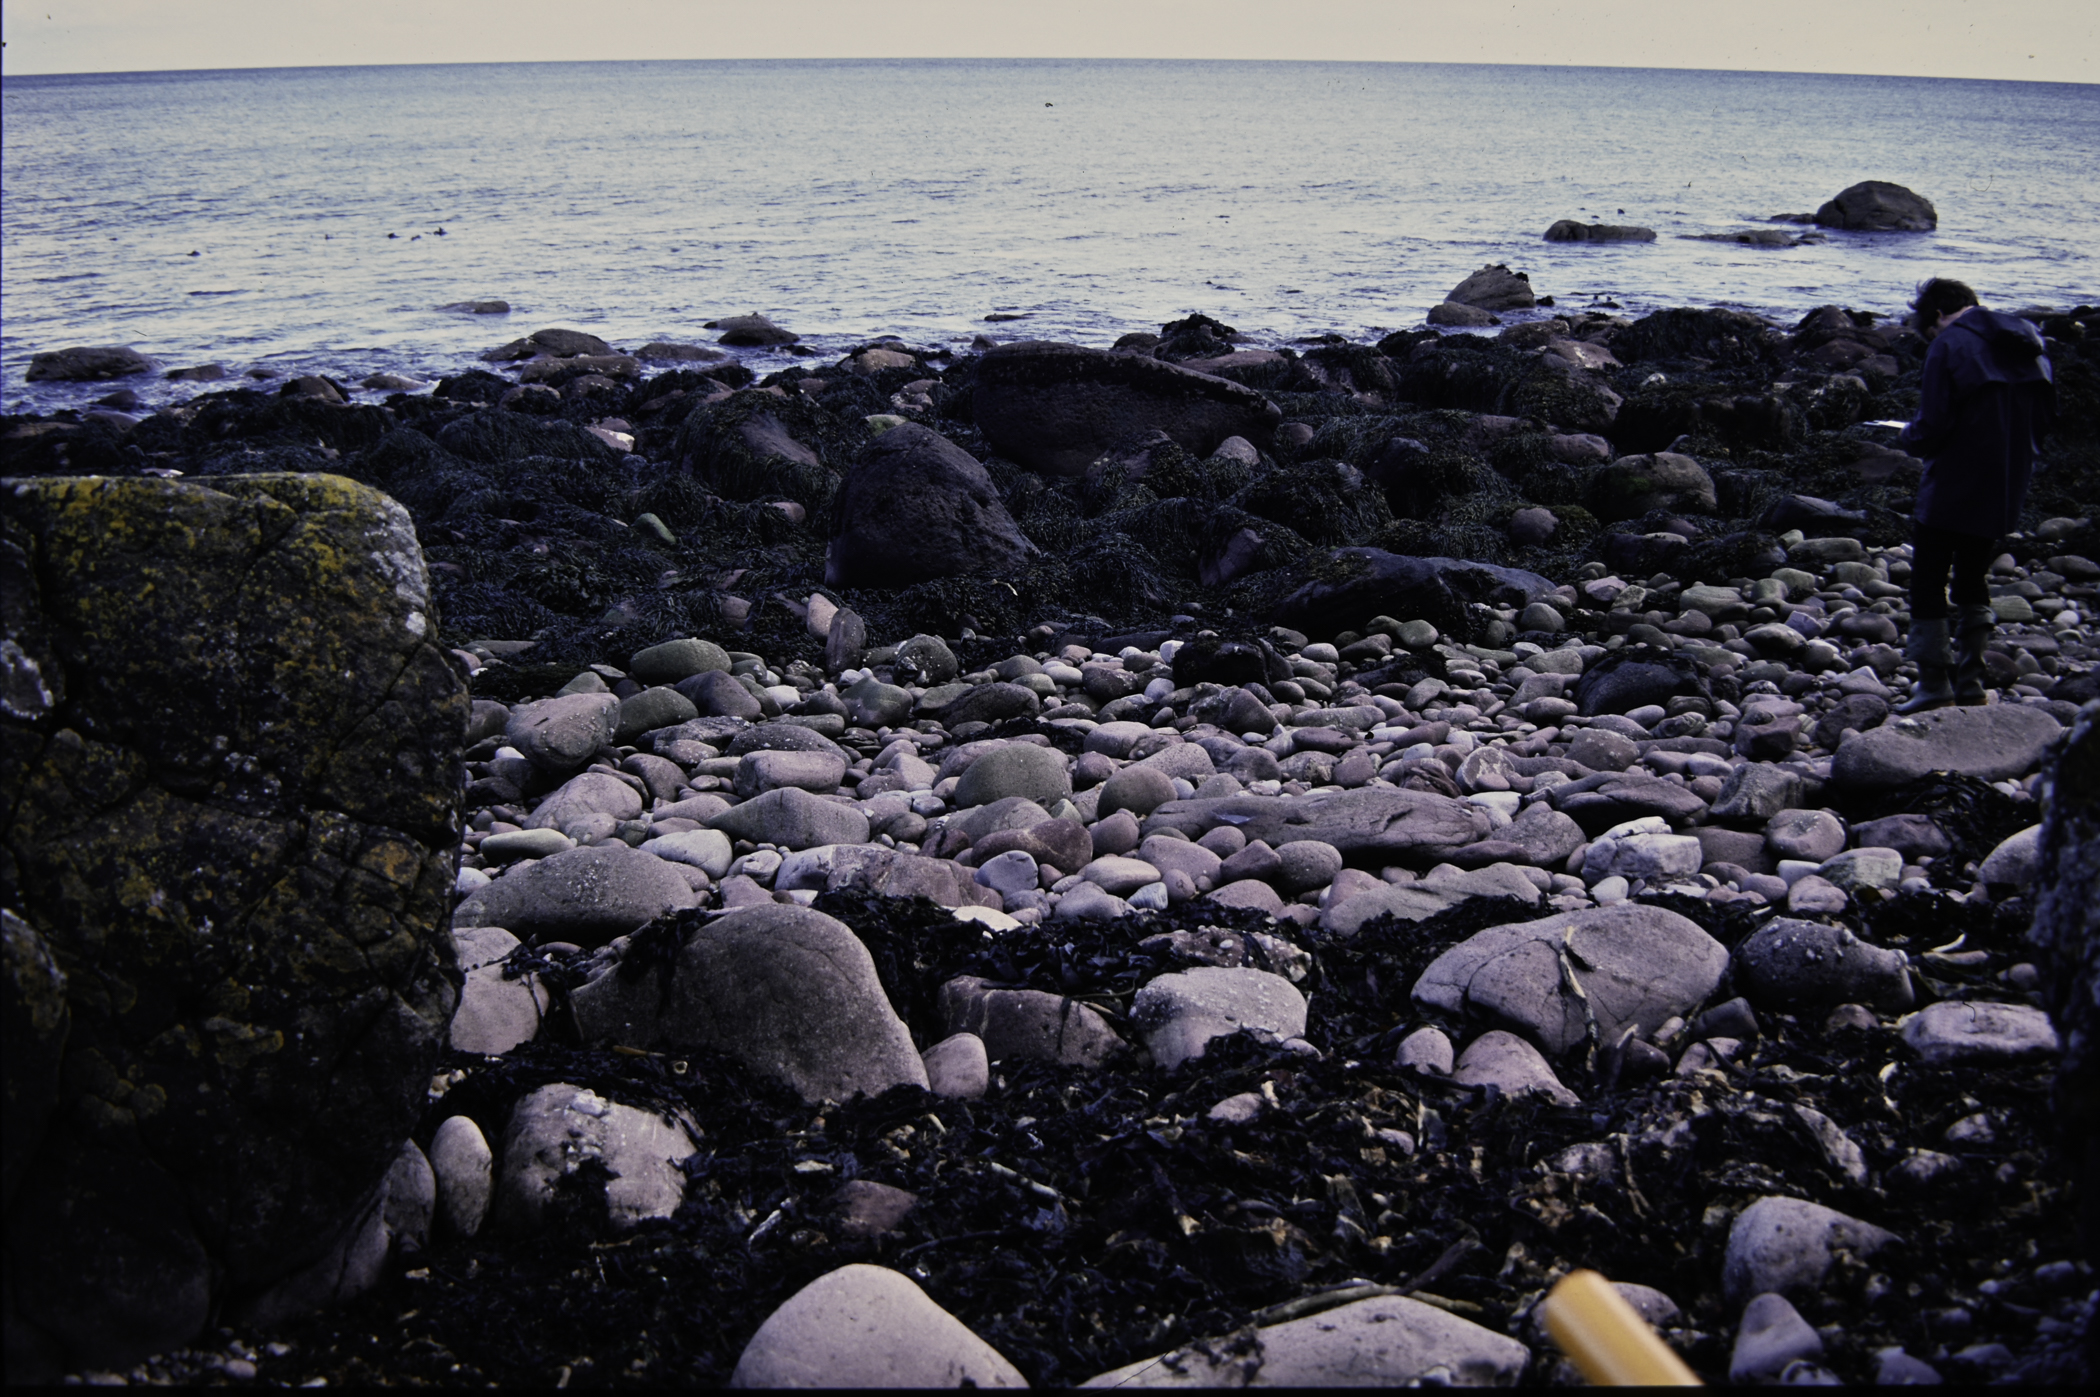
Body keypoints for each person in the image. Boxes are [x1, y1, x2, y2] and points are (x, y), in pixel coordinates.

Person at [1895, 278, 2055, 713]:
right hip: (2006, 484)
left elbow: (1931, 428)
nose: (1931, 336)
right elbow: (2044, 420)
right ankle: (1971, 681)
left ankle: (1932, 686)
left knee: (1928, 578)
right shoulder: (2030, 341)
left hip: (1953, 481)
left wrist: (1905, 437)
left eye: (1927, 328)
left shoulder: (1948, 345)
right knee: (1972, 577)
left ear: (1938, 316)